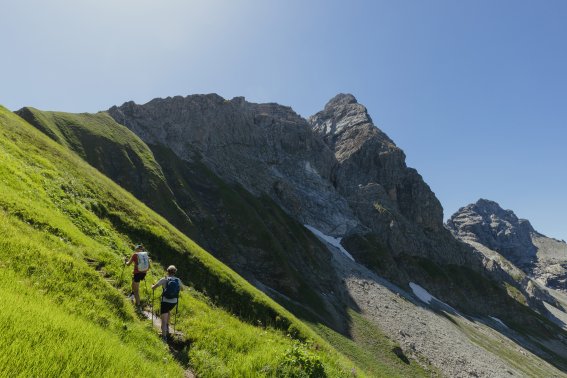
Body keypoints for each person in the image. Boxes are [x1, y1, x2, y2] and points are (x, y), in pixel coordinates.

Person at [152, 265, 181, 341]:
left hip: (165, 302)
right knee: (168, 311)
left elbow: (154, 288)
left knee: (163, 320)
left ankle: (164, 337)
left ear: (167, 271)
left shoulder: (164, 279)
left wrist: (152, 286)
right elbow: (180, 289)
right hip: (174, 302)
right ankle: (167, 326)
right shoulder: (178, 280)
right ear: (175, 272)